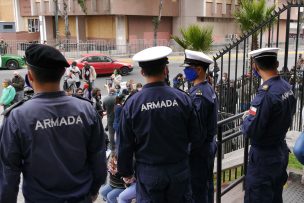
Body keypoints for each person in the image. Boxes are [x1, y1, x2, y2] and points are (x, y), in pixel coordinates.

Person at [0, 44, 107, 203]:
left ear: (30, 76)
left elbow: (8, 172)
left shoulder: (17, 117)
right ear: (63, 73)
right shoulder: (86, 110)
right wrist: (92, 192)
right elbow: (99, 159)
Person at [117, 46, 202, 203]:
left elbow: (124, 144)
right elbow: (196, 138)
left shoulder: (132, 104)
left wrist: (126, 172)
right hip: (179, 170)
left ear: (142, 72)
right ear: (166, 70)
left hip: (149, 173)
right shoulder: (182, 99)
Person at [242, 47, 296, 203]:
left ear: (256, 67)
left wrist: (246, 120)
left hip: (264, 159)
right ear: (277, 63)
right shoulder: (287, 87)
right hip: (279, 151)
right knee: (275, 196)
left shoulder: (266, 94)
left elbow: (251, 129)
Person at [182, 49, 217, 203]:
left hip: (199, 152)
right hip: (207, 148)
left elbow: (198, 132)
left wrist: (187, 151)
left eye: (188, 68)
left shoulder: (199, 95)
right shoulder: (206, 88)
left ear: (198, 69)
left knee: (197, 190)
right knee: (206, 185)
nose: (185, 71)